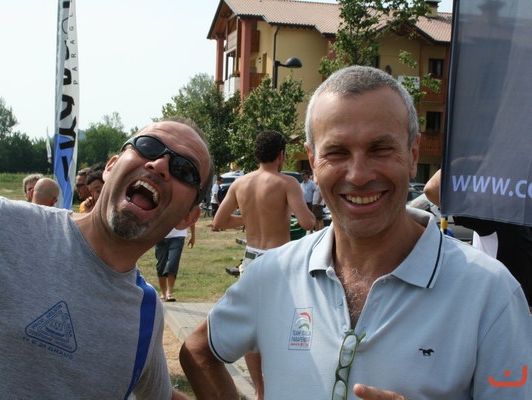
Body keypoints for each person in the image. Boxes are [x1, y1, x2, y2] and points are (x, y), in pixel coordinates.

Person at [180, 66, 532, 400]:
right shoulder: (273, 274)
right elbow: (198, 351)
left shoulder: (491, 292)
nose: (359, 174)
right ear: (312, 160)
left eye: (380, 149)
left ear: (413, 154)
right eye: (337, 152)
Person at [0, 117, 213, 399]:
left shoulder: (147, 313)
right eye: (148, 146)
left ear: (188, 217)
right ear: (111, 167)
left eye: (183, 169)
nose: (159, 165)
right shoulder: (1, 225)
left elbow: (159, 396)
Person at [211, 129, 315, 399]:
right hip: (279, 260)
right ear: (281, 155)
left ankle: (259, 388)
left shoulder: (240, 183)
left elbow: (219, 222)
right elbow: (307, 222)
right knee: (284, 322)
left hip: (251, 259)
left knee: (252, 324)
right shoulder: (287, 183)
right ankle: (281, 380)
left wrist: (248, 217)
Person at [424, 169, 532, 308]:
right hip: (500, 308)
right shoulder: (504, 216)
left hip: (499, 309)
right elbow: (433, 190)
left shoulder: (502, 216)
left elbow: (432, 189)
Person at [155, 224, 195, 302]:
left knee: (173, 263)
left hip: (178, 235)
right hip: (160, 235)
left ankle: (169, 293)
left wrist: (193, 235)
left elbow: (191, 218)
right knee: (161, 266)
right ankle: (163, 293)